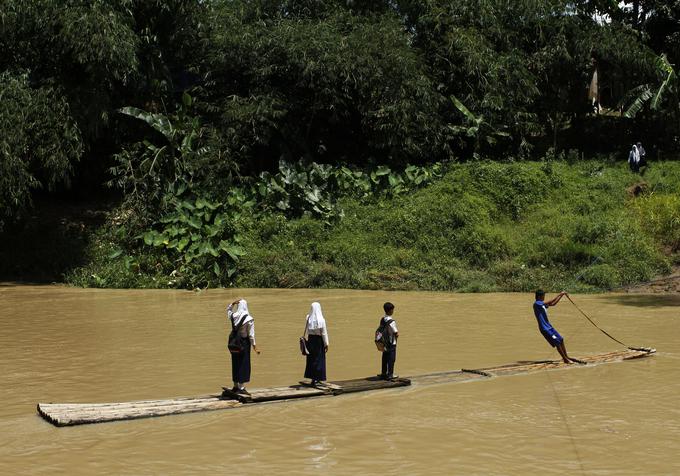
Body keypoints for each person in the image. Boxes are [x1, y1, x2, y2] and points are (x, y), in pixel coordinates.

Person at [227, 298, 260, 394]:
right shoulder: (249, 319)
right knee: (243, 364)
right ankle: (241, 388)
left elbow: (228, 311)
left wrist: (232, 303)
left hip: (234, 343)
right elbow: (251, 335)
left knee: (235, 363)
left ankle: (235, 386)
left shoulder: (233, 316)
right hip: (244, 344)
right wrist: (255, 346)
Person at [532, 290, 575, 364]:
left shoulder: (542, 304)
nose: (544, 297)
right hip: (544, 328)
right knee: (557, 342)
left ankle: (566, 357)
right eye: (543, 296)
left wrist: (561, 295)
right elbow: (550, 301)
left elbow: (553, 303)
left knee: (561, 339)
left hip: (549, 327)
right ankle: (565, 359)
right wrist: (560, 294)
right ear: (539, 296)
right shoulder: (537, 303)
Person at [303, 302, 329, 386]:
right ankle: (318, 378)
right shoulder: (322, 320)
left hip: (311, 340)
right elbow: (324, 333)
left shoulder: (308, 318)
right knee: (319, 360)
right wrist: (326, 344)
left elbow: (307, 330)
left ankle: (312, 380)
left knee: (311, 360)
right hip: (319, 341)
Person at [378, 302, 399, 380]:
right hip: (391, 343)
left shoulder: (382, 319)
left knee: (384, 358)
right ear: (390, 310)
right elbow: (396, 333)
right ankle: (390, 374)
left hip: (384, 342)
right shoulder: (392, 321)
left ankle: (383, 373)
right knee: (391, 359)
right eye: (393, 310)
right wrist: (396, 341)